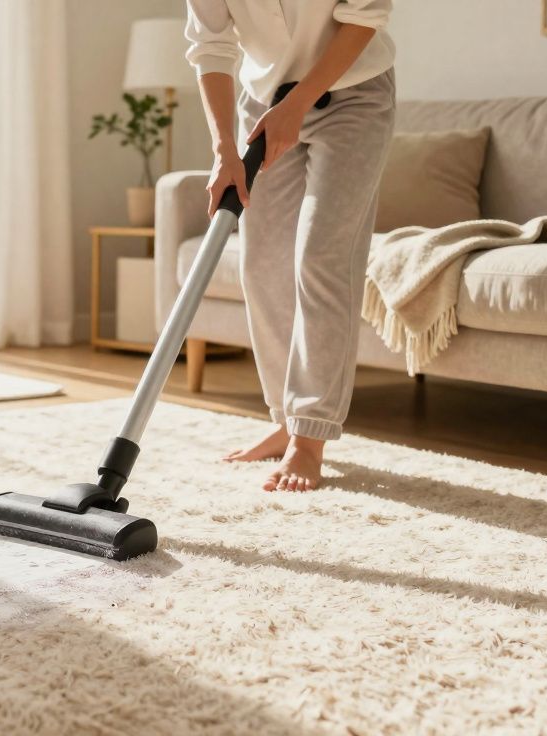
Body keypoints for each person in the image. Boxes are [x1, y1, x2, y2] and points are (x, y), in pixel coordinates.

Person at [185, 0, 396, 491]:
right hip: (261, 104)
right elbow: (211, 49)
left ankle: (309, 437)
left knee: (321, 257)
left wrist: (297, 106)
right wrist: (223, 152)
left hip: (354, 94)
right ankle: (284, 421)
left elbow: (364, 16)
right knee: (261, 263)